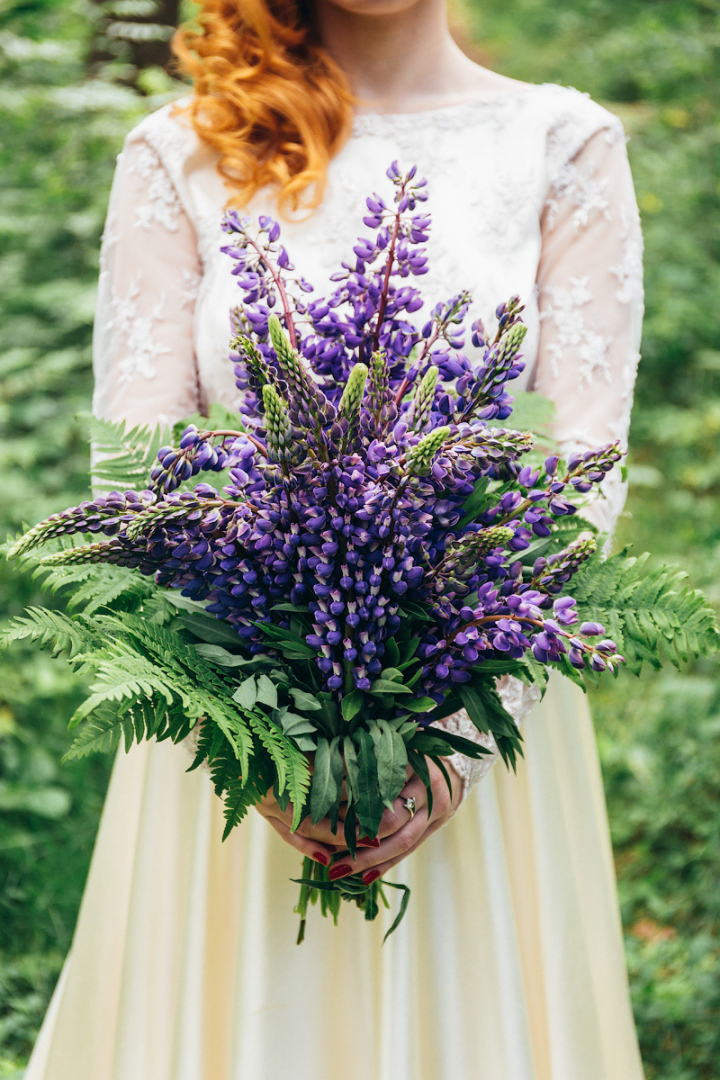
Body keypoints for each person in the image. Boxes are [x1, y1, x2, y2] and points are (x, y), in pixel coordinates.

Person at [25, 0, 646, 1077]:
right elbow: (134, 481)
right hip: (228, 745)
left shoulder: (561, 144)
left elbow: (580, 480)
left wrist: (447, 743)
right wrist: (244, 738)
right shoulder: (182, 148)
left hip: (476, 727)